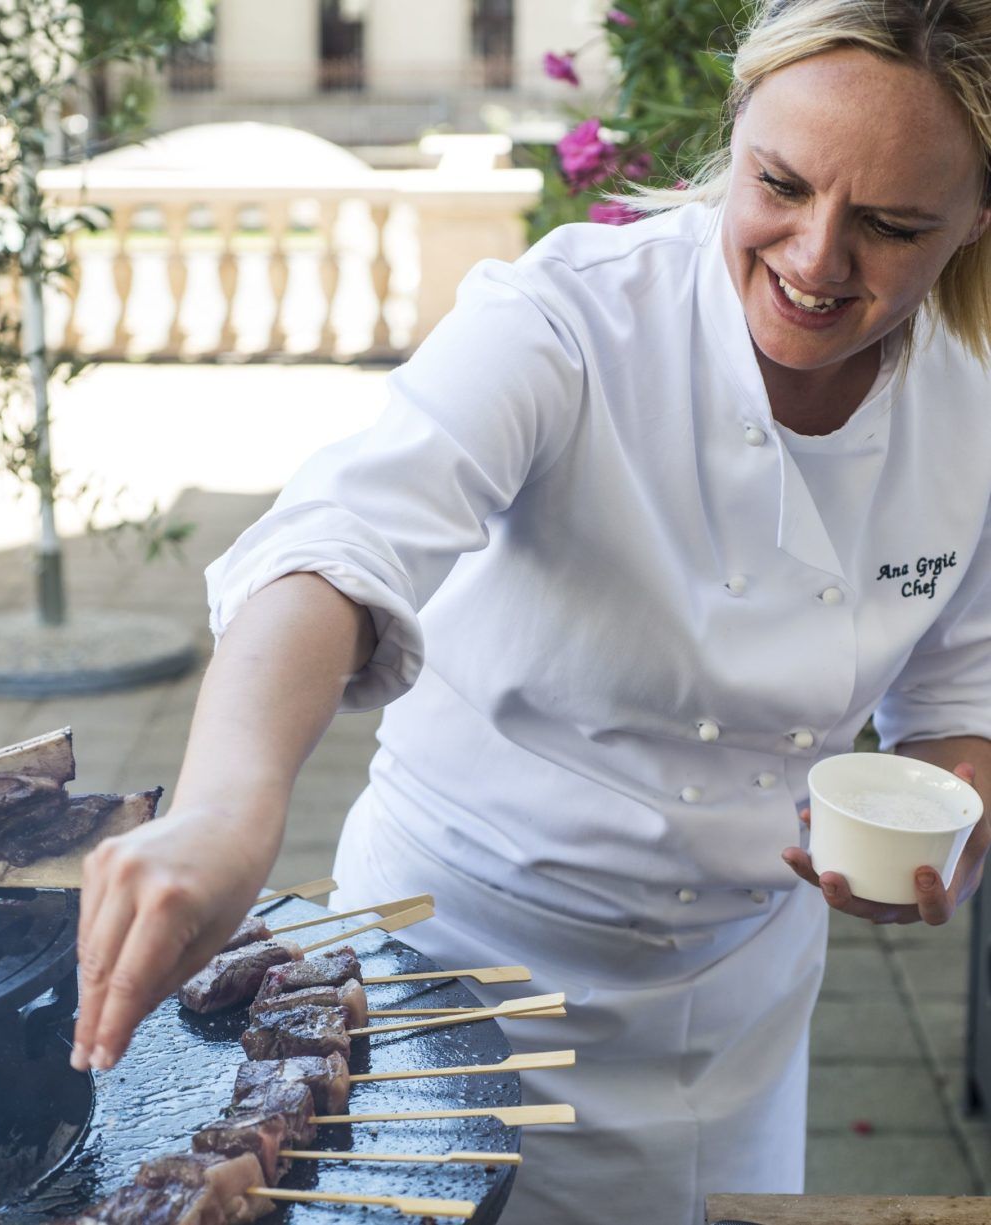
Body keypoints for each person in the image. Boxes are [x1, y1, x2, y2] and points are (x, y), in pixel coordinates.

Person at [71, 2, 991, 1222]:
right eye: (780, 184)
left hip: (740, 999)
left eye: (891, 226)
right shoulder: (567, 319)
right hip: (455, 964)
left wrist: (942, 839)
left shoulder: (971, 400)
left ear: (977, 220)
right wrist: (226, 810)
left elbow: (955, 709)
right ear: (737, 133)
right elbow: (335, 546)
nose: (818, 259)